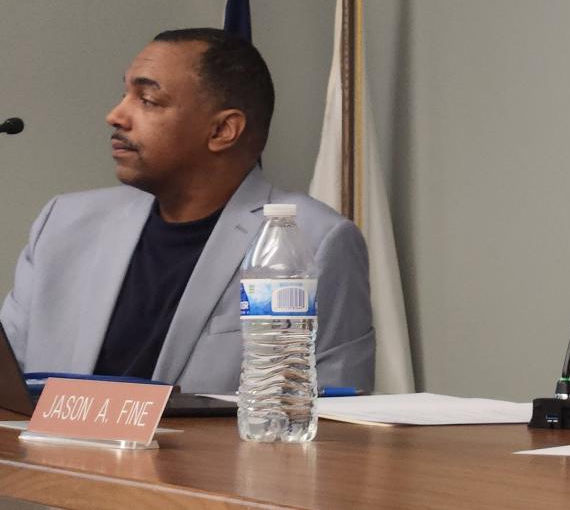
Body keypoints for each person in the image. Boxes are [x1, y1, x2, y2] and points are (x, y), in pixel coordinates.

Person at [0, 28, 375, 393]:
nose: (115, 115)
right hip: (49, 454)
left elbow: (334, 417)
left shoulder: (313, 240)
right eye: (125, 94)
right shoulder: (64, 224)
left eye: (147, 100)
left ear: (223, 130)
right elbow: (8, 390)